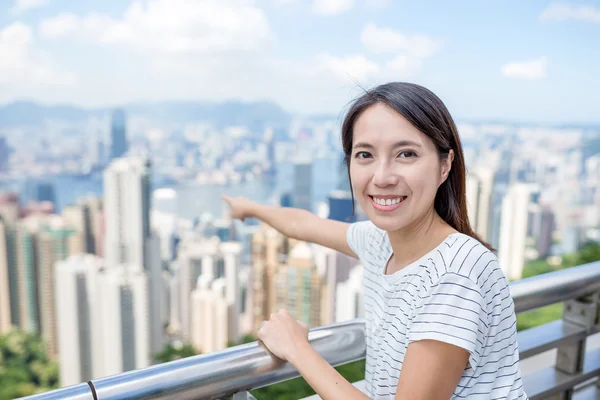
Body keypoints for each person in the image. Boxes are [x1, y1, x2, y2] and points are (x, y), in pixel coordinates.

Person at [222, 82, 526, 399]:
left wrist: (298, 349)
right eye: (365, 154)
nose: (382, 177)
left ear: (445, 164)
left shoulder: (456, 274)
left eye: (406, 154)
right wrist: (251, 208)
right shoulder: (381, 242)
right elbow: (305, 223)